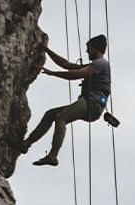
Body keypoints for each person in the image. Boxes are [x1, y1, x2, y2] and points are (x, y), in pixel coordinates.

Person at [22, 35, 111, 167]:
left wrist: (53, 73)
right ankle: (26, 144)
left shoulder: (100, 64)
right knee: (50, 114)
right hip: (89, 103)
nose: (87, 52)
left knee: (61, 117)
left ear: (95, 48)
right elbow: (67, 65)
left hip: (93, 104)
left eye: (88, 49)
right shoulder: (97, 64)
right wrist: (46, 50)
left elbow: (74, 75)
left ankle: (53, 156)